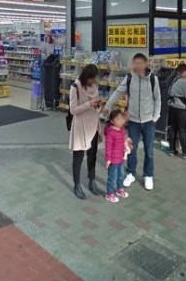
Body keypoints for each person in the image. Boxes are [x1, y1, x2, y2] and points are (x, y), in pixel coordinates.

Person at [105, 53, 161, 191]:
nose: (138, 66)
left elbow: (157, 99)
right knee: (131, 149)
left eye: (141, 63)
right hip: (134, 121)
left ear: (146, 64)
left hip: (148, 121)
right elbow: (118, 92)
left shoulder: (153, 79)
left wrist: (155, 117)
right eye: (136, 63)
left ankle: (148, 175)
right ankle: (130, 173)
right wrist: (107, 106)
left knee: (149, 150)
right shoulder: (129, 78)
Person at [69, 64, 104, 200]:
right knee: (78, 157)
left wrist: (98, 105)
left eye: (95, 79)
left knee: (92, 155)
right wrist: (89, 104)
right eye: (92, 79)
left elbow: (96, 108)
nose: (94, 81)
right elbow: (73, 110)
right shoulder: (75, 87)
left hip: (93, 125)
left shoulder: (94, 86)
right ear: (86, 76)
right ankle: (77, 185)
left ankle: (92, 181)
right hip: (81, 127)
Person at [104, 109, 131, 203]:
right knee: (112, 177)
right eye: (118, 119)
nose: (121, 121)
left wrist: (128, 143)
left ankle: (120, 189)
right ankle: (109, 193)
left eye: (122, 119)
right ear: (112, 121)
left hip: (121, 158)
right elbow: (108, 147)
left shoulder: (122, 129)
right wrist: (108, 159)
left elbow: (124, 139)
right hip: (113, 160)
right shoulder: (110, 133)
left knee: (121, 175)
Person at [167, 63, 186, 158]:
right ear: (184, 72)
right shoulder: (183, 82)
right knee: (182, 129)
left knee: (172, 128)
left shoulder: (173, 79)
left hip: (171, 107)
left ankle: (172, 150)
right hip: (180, 109)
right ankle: (185, 152)